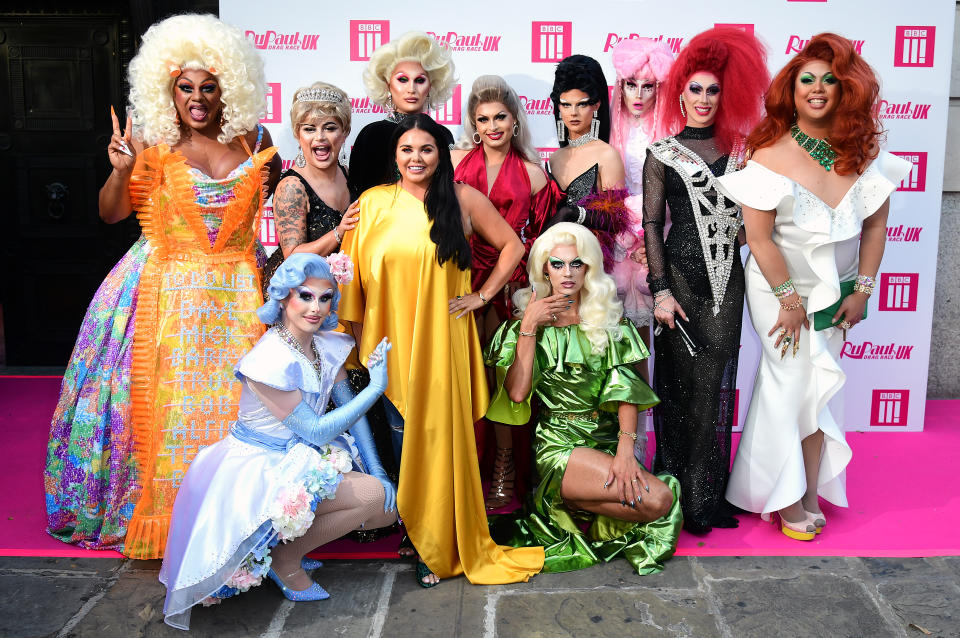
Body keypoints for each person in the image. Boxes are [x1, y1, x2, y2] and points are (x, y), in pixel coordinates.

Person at [44, 13, 281, 558]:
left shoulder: (254, 139)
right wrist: (120, 170)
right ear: (167, 88)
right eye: (184, 87)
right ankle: (169, 520)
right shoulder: (151, 143)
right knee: (169, 410)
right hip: (163, 293)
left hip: (238, 297)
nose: (196, 99)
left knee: (235, 408)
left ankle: (235, 521)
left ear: (229, 88)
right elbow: (110, 214)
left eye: (208, 87)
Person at [717, 33, 911, 540]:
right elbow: (758, 238)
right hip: (777, 290)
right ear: (791, 88)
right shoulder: (768, 151)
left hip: (836, 295)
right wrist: (789, 301)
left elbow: (875, 227)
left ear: (848, 89)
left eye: (830, 79)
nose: (818, 88)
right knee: (788, 384)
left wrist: (863, 290)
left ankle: (804, 491)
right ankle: (784, 498)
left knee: (817, 391)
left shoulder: (866, 152)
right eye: (807, 79)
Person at [339, 113, 544, 587]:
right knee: (403, 439)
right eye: (407, 150)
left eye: (426, 150)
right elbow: (349, 276)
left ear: (441, 154)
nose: (416, 158)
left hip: (445, 340)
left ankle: (441, 543)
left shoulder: (463, 199)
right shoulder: (371, 204)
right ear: (395, 154)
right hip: (391, 341)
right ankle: (418, 531)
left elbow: (512, 247)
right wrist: (354, 338)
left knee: (440, 443)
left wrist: (483, 295)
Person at [160, 253, 397, 630]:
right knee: (369, 498)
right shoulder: (267, 358)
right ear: (284, 298)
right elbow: (317, 430)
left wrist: (380, 471)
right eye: (304, 296)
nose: (315, 308)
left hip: (299, 457)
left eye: (324, 298)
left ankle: (286, 547)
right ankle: (285, 561)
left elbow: (353, 413)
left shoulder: (326, 345)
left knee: (385, 504)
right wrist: (376, 386)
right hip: (257, 469)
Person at [485, 223, 681, 574]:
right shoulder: (523, 327)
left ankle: (573, 505)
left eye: (577, 263)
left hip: (606, 441)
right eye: (557, 264)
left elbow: (626, 393)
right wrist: (529, 326)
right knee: (659, 499)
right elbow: (516, 393)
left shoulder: (607, 319)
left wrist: (625, 451)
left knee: (659, 503)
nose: (567, 273)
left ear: (589, 268)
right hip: (558, 444)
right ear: (544, 267)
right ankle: (565, 497)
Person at [642, 26, 768, 534]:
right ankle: (676, 492)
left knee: (716, 387)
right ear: (680, 93)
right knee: (676, 390)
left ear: (726, 94)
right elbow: (653, 224)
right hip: (678, 283)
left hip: (726, 287)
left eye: (713, 90)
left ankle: (708, 492)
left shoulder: (745, 151)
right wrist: (660, 289)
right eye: (695, 88)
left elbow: (755, 219)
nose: (703, 99)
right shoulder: (661, 153)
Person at [451, 75, 561, 509]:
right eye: (483, 119)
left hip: (507, 287)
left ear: (515, 120)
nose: (492, 126)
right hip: (459, 280)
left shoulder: (535, 175)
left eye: (500, 117)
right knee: (461, 378)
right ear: (473, 124)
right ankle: (462, 469)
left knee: (501, 379)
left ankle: (504, 466)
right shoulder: (455, 161)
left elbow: (540, 244)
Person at [348, 31, 456, 198]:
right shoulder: (372, 135)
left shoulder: (442, 134)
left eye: (419, 80)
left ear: (431, 87)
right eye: (402, 80)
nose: (411, 89)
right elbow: (361, 197)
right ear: (388, 85)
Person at [545, 55, 627, 271]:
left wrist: (574, 213)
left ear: (596, 105)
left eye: (581, 105)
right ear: (558, 107)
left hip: (590, 268)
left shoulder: (607, 155)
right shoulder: (553, 159)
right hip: (552, 266)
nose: (573, 113)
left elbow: (617, 220)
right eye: (566, 104)